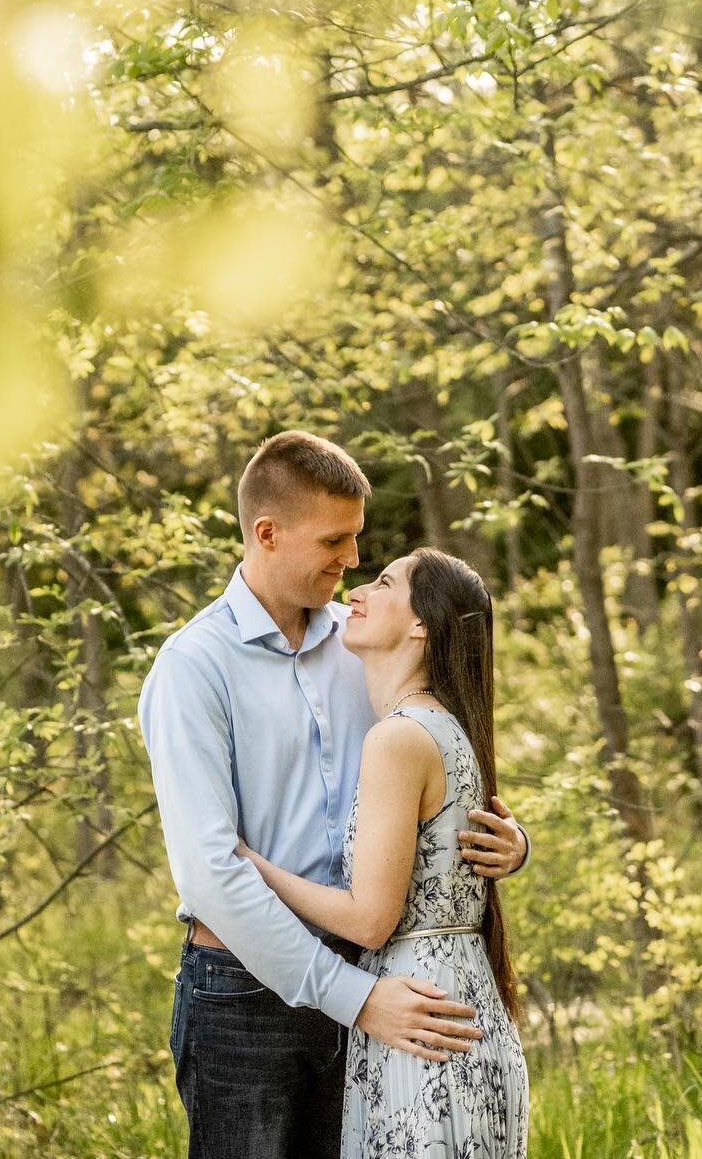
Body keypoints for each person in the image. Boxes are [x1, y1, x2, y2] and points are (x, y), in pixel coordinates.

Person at [139, 431, 529, 1159]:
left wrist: (505, 838)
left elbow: (432, 755)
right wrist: (356, 997)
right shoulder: (194, 668)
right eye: (336, 540)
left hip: (368, 982)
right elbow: (211, 869)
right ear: (268, 533)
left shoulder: (362, 648)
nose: (352, 561)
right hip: (247, 993)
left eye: (357, 540)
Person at [238, 548, 528, 1156]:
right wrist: (520, 845)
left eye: (384, 582)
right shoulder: (449, 726)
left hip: (418, 1020)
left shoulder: (398, 738)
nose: (358, 592)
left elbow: (371, 920)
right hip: (459, 1008)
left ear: (421, 623)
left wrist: (254, 866)